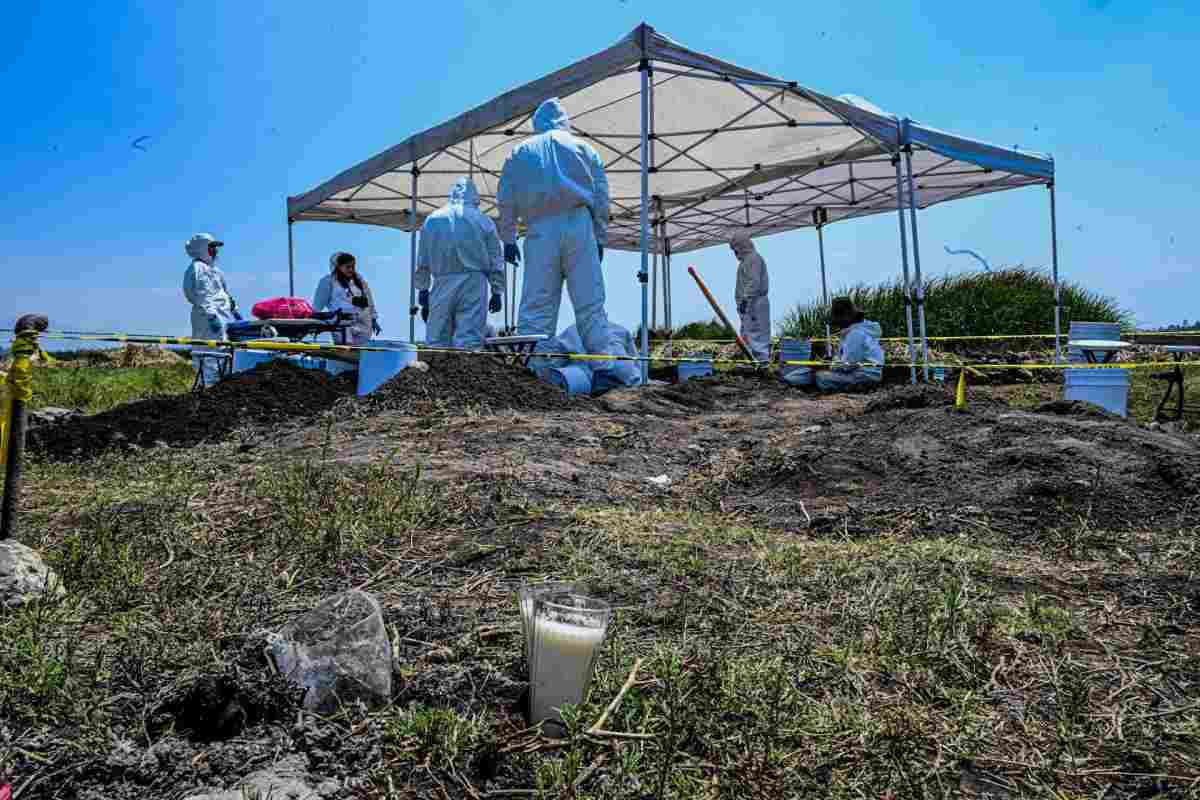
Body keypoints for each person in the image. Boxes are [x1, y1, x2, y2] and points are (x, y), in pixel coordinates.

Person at [497, 97, 612, 359]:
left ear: (536, 123)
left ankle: (536, 371)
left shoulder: (519, 152)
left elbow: (505, 199)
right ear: (565, 121)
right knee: (590, 302)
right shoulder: (584, 147)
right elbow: (602, 196)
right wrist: (599, 237)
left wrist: (509, 238)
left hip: (539, 229)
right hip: (579, 225)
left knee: (536, 305)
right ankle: (605, 367)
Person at [415, 177, 505, 350]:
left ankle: (436, 374)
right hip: (474, 283)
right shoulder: (483, 221)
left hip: (442, 281)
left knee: (437, 335)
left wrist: (423, 288)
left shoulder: (432, 219)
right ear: (474, 197)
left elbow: (423, 258)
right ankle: (467, 376)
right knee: (470, 336)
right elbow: (496, 260)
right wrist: (497, 291)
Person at [182, 232, 239, 385]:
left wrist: (233, 307)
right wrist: (212, 316)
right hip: (208, 319)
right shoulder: (198, 268)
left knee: (222, 353)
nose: (215, 251)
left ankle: (217, 387)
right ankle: (208, 388)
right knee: (209, 353)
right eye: (211, 247)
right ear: (201, 248)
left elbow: (222, 293)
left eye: (215, 247)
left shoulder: (215, 270)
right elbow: (202, 295)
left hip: (223, 317)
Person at [814, 297, 884, 392]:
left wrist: (829, 366)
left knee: (821, 378)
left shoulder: (855, 334)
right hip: (868, 372)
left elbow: (849, 364)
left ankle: (856, 387)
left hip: (865, 374)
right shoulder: (862, 329)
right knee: (823, 375)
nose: (838, 325)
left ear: (845, 318)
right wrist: (832, 362)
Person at [313, 251, 380, 345]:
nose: (351, 269)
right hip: (343, 325)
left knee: (361, 352)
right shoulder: (328, 281)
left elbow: (369, 300)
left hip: (363, 324)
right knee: (346, 350)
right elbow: (317, 306)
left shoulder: (359, 281)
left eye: (353, 266)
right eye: (347, 267)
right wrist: (314, 322)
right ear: (338, 267)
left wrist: (374, 319)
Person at [730, 232, 771, 363]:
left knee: (758, 335)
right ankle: (753, 363)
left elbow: (753, 282)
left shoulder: (753, 259)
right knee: (749, 335)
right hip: (748, 305)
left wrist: (745, 300)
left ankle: (762, 364)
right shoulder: (747, 260)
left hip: (754, 304)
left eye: (735, 250)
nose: (735, 254)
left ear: (741, 246)